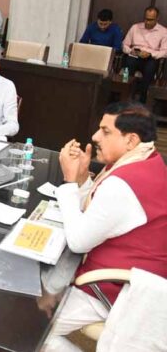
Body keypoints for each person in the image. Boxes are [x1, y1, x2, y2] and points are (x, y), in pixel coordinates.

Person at [44, 102, 167, 352]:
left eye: (106, 131)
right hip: (136, 275)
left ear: (131, 140)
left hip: (115, 288)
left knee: (28, 328)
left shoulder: (124, 183)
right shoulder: (147, 159)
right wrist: (83, 179)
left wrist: (69, 181)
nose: (95, 137)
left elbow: (78, 241)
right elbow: (104, 212)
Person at [122, 6, 167, 103]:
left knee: (150, 68)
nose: (148, 22)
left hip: (150, 58)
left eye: (151, 20)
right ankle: (125, 92)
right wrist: (131, 51)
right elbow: (124, 45)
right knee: (128, 64)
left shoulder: (163, 32)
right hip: (134, 55)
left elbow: (165, 51)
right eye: (146, 19)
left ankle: (142, 97)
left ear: (157, 18)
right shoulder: (135, 27)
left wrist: (150, 54)